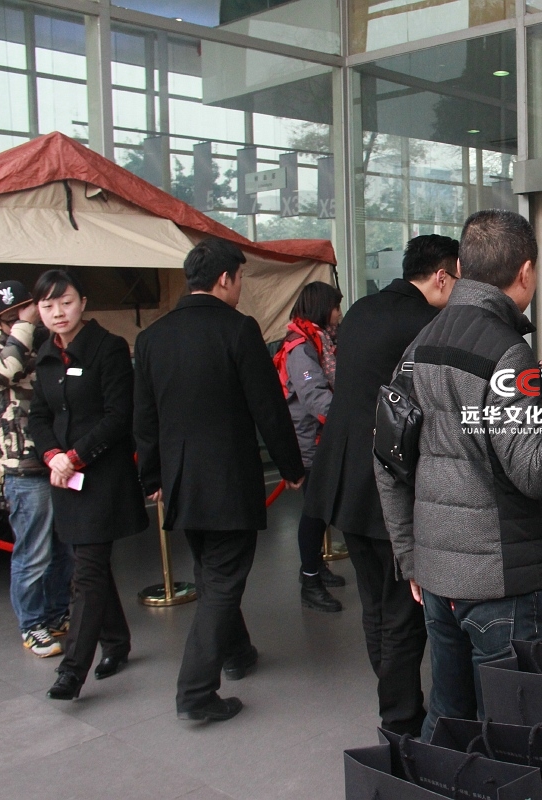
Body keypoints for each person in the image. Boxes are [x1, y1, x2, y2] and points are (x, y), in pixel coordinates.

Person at [375, 210, 542, 740]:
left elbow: (389, 460)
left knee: (449, 717)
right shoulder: (504, 349)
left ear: (463, 267)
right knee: (519, 724)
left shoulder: (419, 346)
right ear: (525, 272)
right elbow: (533, 469)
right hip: (499, 581)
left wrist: (410, 558)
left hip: (438, 576)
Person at [134, 238, 305, 723]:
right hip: (229, 482)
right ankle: (195, 692)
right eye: (241, 278)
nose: (240, 287)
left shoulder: (152, 338)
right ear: (226, 279)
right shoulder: (238, 329)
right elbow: (268, 407)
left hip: (182, 483)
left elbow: (144, 418)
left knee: (213, 572)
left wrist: (152, 476)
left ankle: (237, 652)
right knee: (223, 583)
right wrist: (291, 467)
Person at [305, 233, 459, 737]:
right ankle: (400, 720)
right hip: (385, 484)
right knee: (401, 612)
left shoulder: (362, 310)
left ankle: (391, 693)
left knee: (374, 603)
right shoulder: (426, 324)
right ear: (442, 276)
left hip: (343, 480)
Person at [26, 271, 148, 700]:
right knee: (87, 562)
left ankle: (72, 671)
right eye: (47, 306)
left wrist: (74, 456)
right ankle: (115, 642)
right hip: (65, 477)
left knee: (87, 570)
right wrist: (52, 455)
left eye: (66, 302)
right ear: (38, 310)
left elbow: (119, 416)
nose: (58, 312)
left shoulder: (107, 348)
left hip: (100, 476)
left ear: (83, 302)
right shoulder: (45, 354)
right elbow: (38, 416)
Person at [0, 280, 72, 658]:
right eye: (11, 316)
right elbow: (7, 369)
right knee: (33, 554)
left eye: (24, 311)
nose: (21, 319)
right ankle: (32, 625)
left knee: (64, 549)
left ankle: (57, 613)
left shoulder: (46, 343)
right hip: (24, 469)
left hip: (58, 459)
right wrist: (25, 326)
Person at [274, 280, 346, 613]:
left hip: (318, 438)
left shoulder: (319, 339)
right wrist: (348, 420)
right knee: (315, 513)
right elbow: (315, 397)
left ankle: (315, 565)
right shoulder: (301, 347)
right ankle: (310, 579)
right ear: (322, 308)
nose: (339, 313)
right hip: (309, 441)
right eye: (336, 307)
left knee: (320, 510)